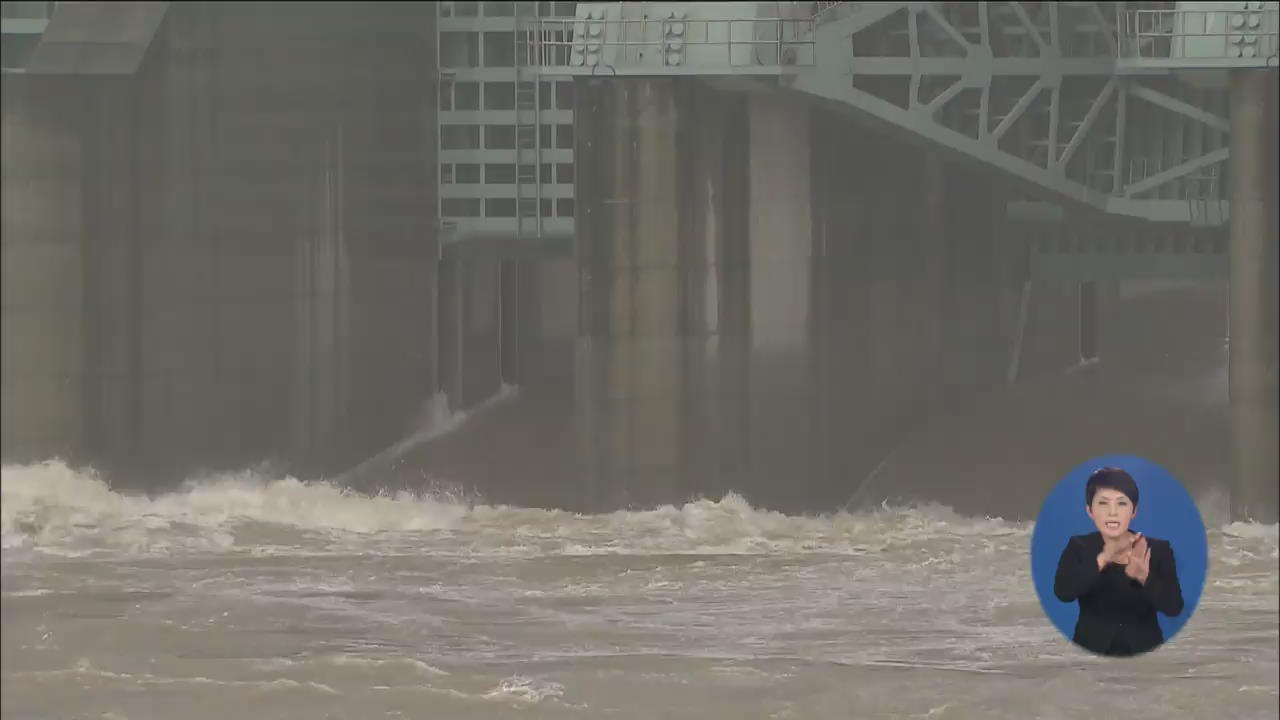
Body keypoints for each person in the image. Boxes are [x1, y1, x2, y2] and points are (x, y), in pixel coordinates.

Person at [1053, 467, 1184, 657]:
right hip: (1091, 655)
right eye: (1103, 504)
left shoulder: (1158, 550)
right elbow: (1063, 593)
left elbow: (1174, 608)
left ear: (1134, 511)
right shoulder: (1079, 547)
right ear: (1090, 510)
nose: (1112, 512)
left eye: (1122, 504)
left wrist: (1143, 576)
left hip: (1145, 655)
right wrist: (1103, 558)